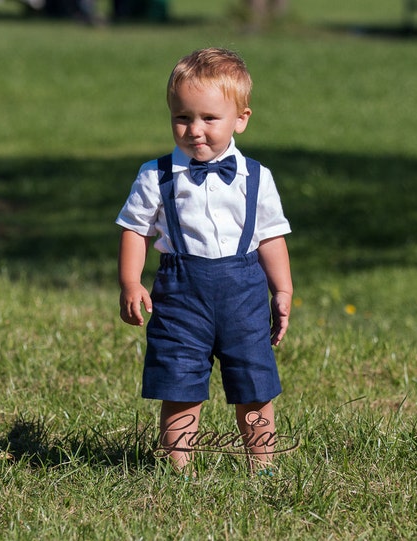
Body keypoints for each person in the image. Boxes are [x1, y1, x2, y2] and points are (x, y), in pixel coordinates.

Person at [116, 47, 293, 474]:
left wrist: (282, 289)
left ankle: (262, 464)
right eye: (183, 118)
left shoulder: (257, 177)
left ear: (241, 119)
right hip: (180, 294)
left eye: (209, 119)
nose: (195, 130)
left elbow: (270, 236)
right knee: (179, 381)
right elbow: (135, 229)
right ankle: (178, 468)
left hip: (244, 292)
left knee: (254, 382)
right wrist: (131, 283)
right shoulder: (154, 175)